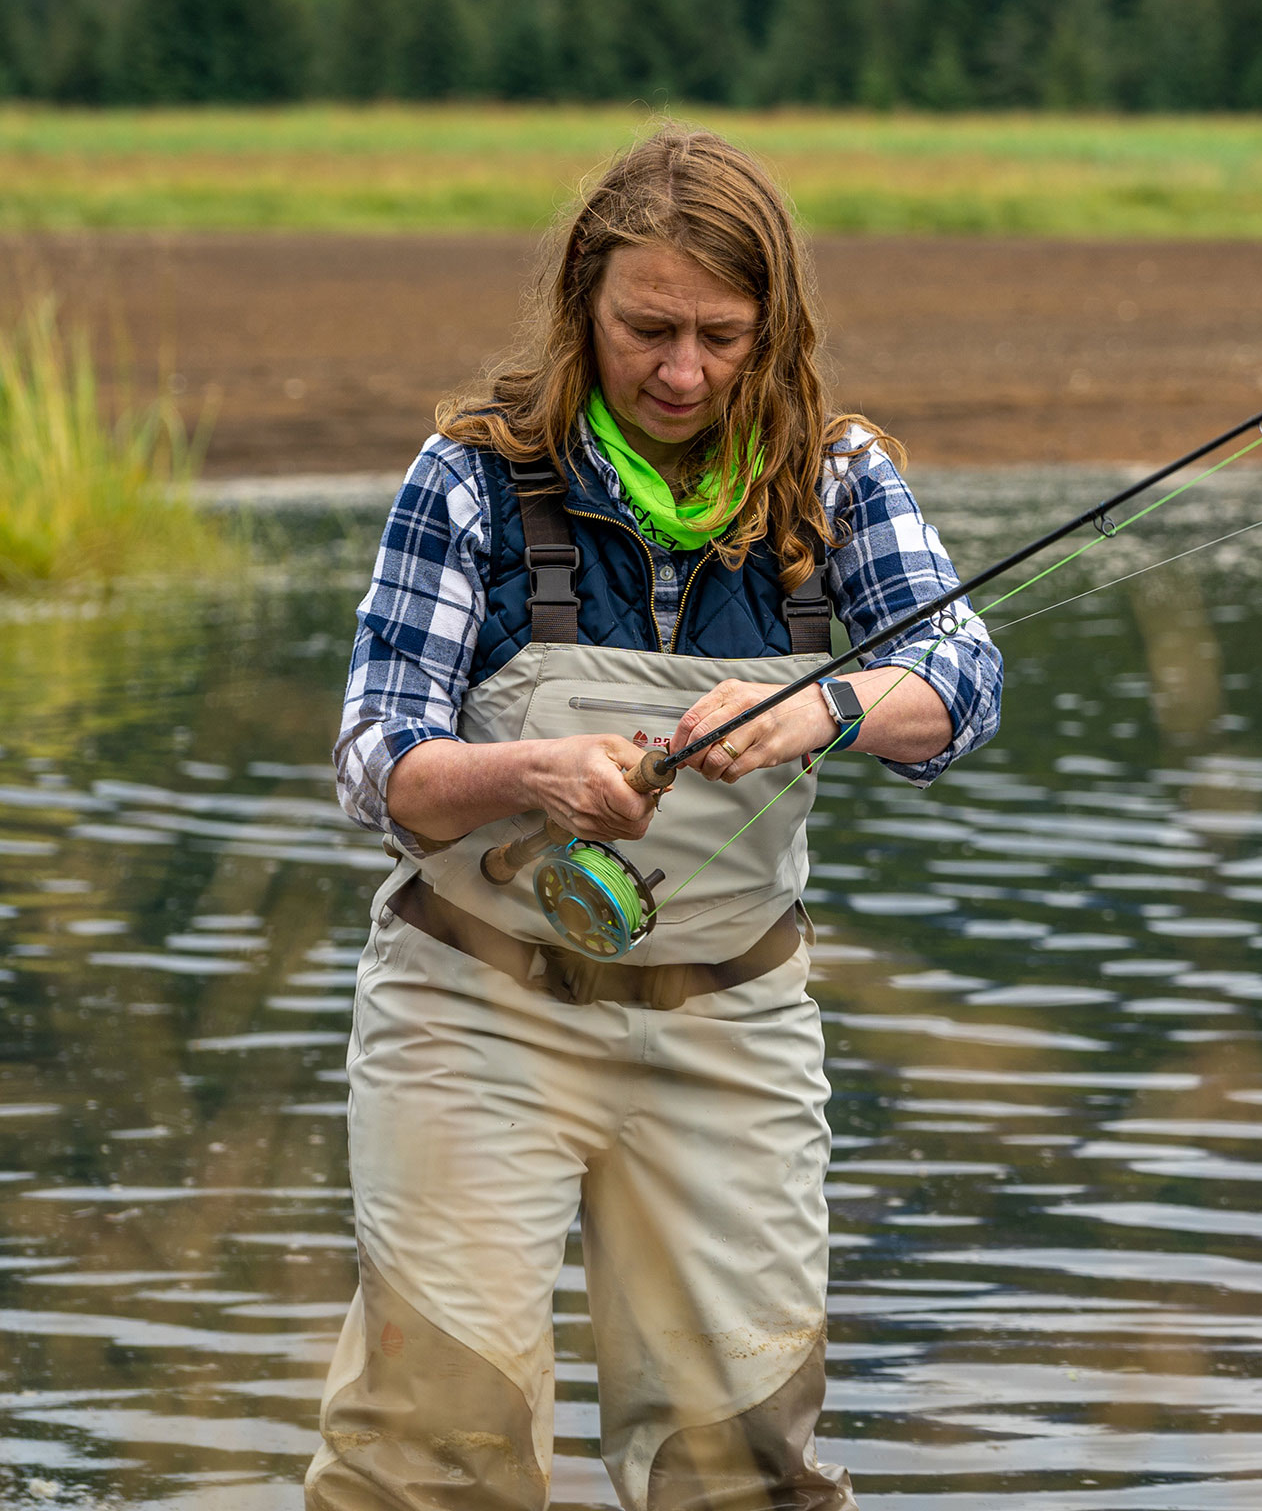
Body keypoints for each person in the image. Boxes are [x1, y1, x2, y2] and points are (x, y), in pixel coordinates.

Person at [316, 126, 1001, 1509]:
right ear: (585, 309)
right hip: (473, 1010)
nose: (682, 372)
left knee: (737, 1460)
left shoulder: (841, 479)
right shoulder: (471, 477)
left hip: (729, 1027)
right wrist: (528, 775)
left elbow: (962, 682)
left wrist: (817, 710)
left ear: (776, 328)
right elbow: (375, 762)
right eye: (647, 330)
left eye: (722, 336)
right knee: (431, 1446)